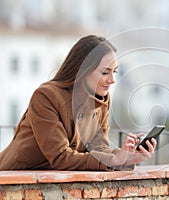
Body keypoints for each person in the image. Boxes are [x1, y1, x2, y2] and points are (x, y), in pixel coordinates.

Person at [0, 35, 157, 170]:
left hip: (57, 181)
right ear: (83, 70)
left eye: (114, 71)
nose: (112, 80)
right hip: (15, 177)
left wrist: (127, 157)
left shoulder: (100, 100)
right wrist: (114, 160)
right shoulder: (46, 96)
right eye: (105, 72)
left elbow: (99, 149)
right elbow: (60, 157)